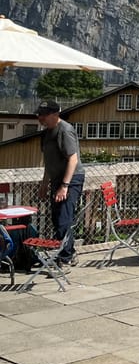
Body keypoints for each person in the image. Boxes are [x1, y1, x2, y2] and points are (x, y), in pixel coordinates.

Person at [36, 100, 84, 267]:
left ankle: (66, 257)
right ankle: (68, 253)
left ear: (55, 114)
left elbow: (73, 158)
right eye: (39, 114)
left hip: (71, 179)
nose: (40, 118)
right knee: (57, 218)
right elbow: (48, 162)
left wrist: (65, 186)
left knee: (64, 218)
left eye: (44, 115)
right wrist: (44, 183)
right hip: (56, 179)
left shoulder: (65, 130)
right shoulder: (45, 134)